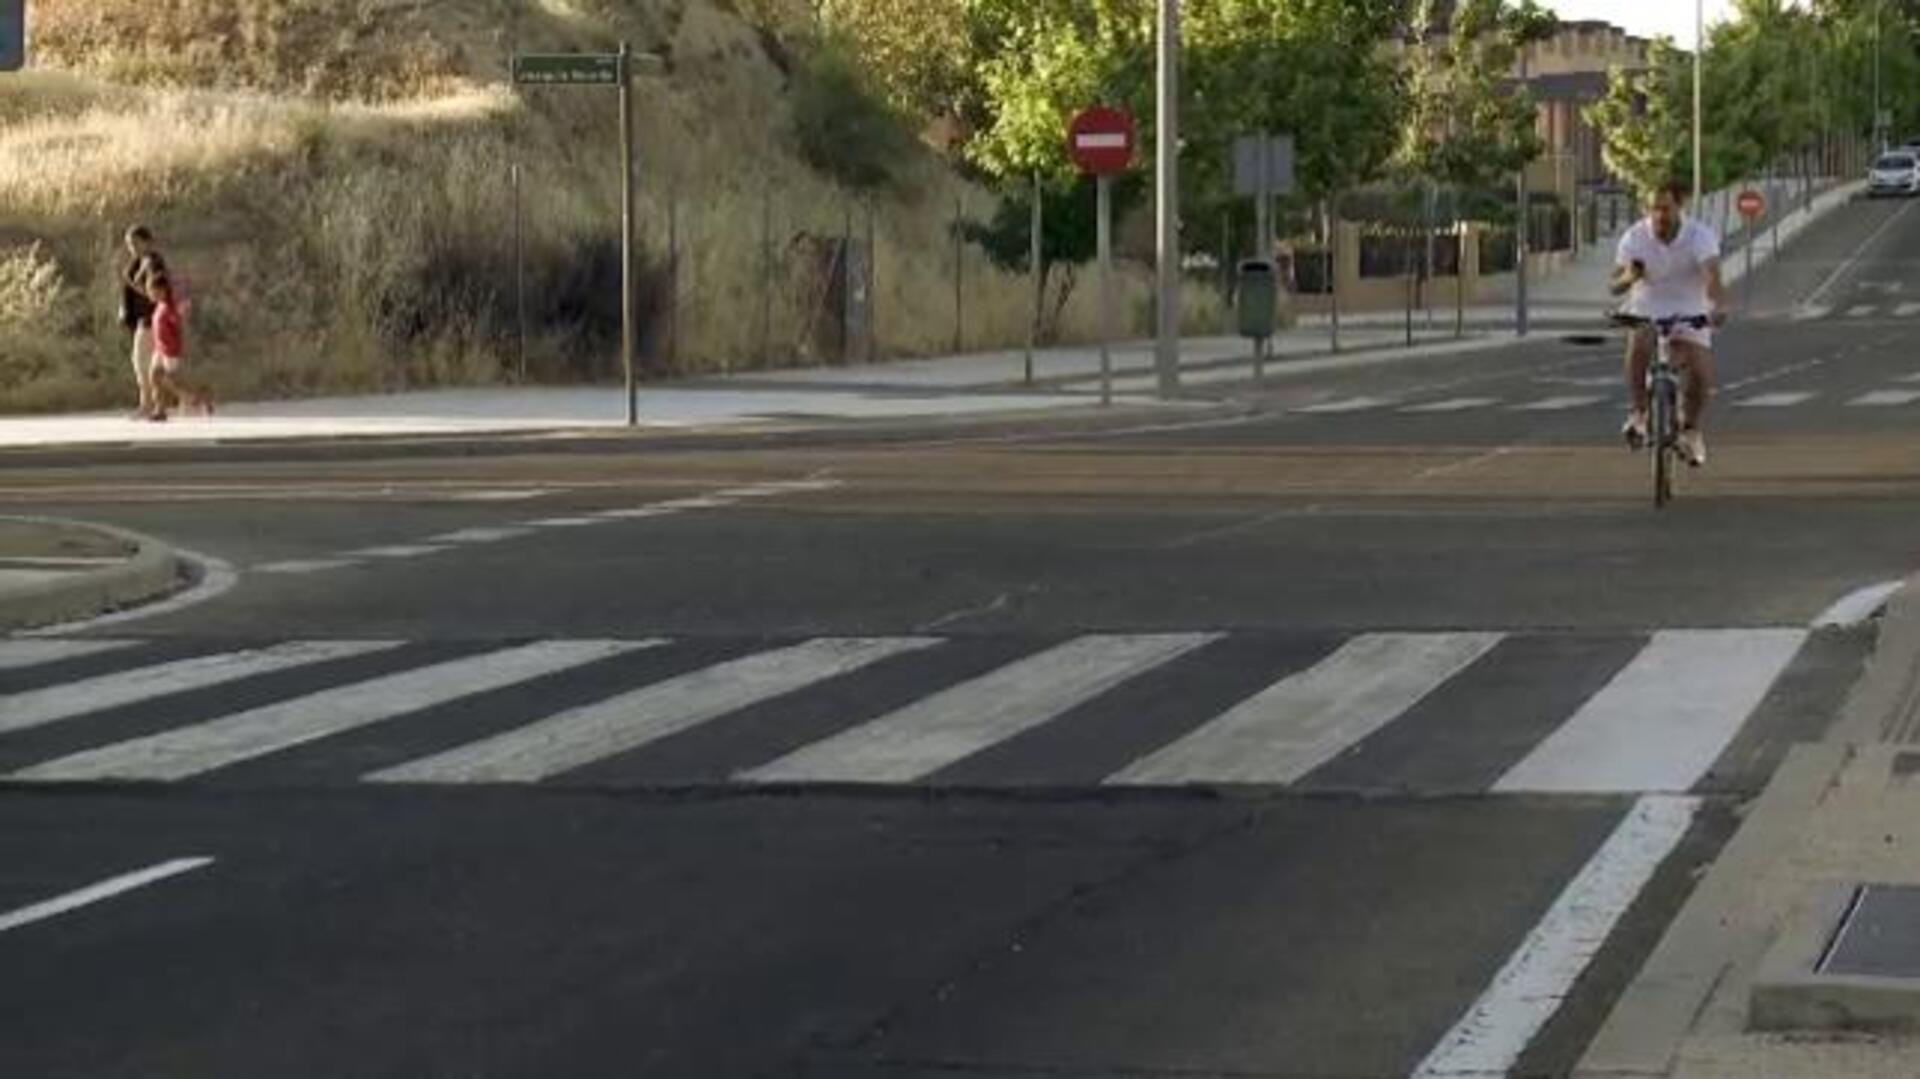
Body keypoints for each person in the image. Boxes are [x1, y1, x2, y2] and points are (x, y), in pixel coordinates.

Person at [1610, 180, 1729, 467]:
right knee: (1640, 343)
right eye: (1654, 209)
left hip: (1689, 308)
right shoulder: (1635, 237)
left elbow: (1712, 277)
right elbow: (1615, 286)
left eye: (1666, 208)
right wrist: (1630, 276)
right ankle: (1639, 414)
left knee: (1701, 371)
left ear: (1679, 207)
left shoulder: (1699, 236)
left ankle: (1691, 430)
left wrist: (1718, 306)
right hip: (1648, 307)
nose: (1660, 216)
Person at [143, 272, 211, 420]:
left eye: (151, 290)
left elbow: (178, 323)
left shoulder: (170, 307)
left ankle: (198, 399)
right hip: (159, 349)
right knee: (154, 377)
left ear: (161, 290)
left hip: (169, 350)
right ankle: (160, 410)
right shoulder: (160, 305)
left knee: (171, 382)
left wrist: (180, 313)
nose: (149, 294)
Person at [118, 226, 169, 419]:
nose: (132, 248)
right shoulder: (139, 261)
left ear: (147, 241)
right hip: (143, 319)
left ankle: (149, 404)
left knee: (143, 363)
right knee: (146, 363)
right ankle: (154, 405)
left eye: (135, 243)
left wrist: (131, 283)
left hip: (151, 319)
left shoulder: (152, 262)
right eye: (130, 244)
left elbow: (153, 293)